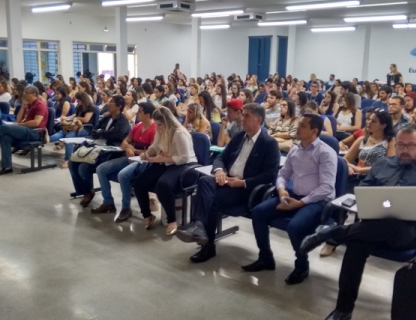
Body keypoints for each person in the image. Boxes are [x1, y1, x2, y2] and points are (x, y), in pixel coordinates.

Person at [299, 124, 416, 320]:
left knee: (394, 224)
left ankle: (333, 233)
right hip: (370, 225)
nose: (404, 150)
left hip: (408, 228)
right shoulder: (383, 164)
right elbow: (364, 188)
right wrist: (367, 200)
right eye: (400, 145)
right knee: (356, 246)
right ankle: (343, 310)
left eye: (410, 146)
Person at [175, 103, 281, 263]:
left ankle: (206, 242)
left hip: (246, 189)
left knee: (209, 199)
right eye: (242, 115)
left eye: (247, 116)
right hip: (226, 180)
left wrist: (242, 182)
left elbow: (270, 175)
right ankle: (199, 227)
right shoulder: (239, 136)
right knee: (204, 180)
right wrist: (219, 170)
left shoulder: (269, 143)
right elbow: (220, 158)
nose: (242, 119)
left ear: (258, 119)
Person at [241, 114, 337, 284]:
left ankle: (302, 266)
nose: (297, 128)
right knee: (258, 212)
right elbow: (283, 174)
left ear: (314, 131)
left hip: (317, 201)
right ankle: (265, 258)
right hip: (293, 195)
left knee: (295, 227)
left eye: (302, 126)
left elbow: (326, 188)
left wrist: (300, 203)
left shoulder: (325, 153)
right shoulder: (295, 149)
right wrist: (281, 189)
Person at [132, 107, 198, 235]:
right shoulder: (160, 130)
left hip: (185, 165)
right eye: (156, 124)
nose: (158, 127)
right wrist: (147, 153)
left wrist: (159, 159)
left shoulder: (179, 133)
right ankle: (147, 215)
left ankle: (172, 220)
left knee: (163, 185)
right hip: (167, 161)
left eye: (160, 125)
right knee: (139, 182)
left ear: (168, 122)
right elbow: (155, 146)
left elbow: (183, 158)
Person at [93, 102, 157, 222]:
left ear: (147, 115)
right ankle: (108, 202)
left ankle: (126, 207)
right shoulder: (137, 126)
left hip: (144, 162)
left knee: (123, 175)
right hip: (130, 157)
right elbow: (124, 142)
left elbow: (151, 152)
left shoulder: (154, 129)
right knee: (101, 169)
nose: (137, 113)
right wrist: (128, 148)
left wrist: (134, 149)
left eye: (140, 112)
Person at [68, 95, 131, 206]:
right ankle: (83, 191)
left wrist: (101, 133)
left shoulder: (123, 121)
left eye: (111, 103)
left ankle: (89, 191)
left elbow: (116, 135)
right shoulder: (107, 117)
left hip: (110, 152)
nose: (108, 105)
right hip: (97, 147)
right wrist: (103, 133)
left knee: (84, 167)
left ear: (119, 106)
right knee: (72, 162)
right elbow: (94, 130)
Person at [0, 86, 49, 175]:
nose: (24, 95)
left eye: (26, 93)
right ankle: (7, 166)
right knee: (5, 138)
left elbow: (36, 122)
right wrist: (23, 108)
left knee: (4, 127)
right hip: (25, 130)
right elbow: (18, 119)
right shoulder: (28, 105)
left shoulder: (40, 106)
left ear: (34, 94)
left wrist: (19, 124)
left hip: (35, 132)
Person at [49, 91, 96, 169]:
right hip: (75, 126)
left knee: (68, 138)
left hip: (85, 128)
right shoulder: (79, 106)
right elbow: (76, 115)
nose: (77, 102)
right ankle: (46, 138)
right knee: (60, 134)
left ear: (83, 99)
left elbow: (86, 119)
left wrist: (75, 118)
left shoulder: (91, 107)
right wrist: (69, 118)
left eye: (78, 100)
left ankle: (67, 160)